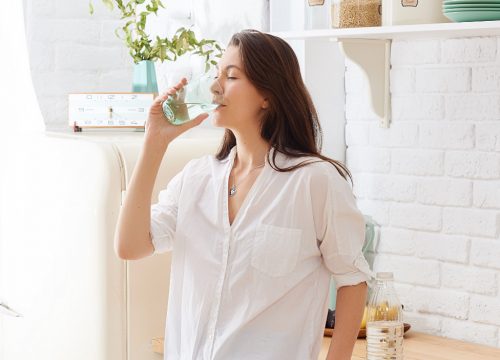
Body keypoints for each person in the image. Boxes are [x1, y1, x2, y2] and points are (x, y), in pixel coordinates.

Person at [114, 29, 372, 360]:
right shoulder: (196, 179)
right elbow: (130, 246)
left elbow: (353, 280)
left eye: (231, 76)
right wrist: (155, 143)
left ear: (268, 95)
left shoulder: (315, 182)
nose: (215, 86)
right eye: (217, 74)